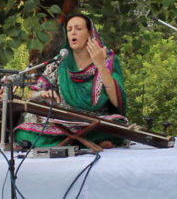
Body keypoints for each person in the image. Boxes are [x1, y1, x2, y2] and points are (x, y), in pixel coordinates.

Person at [15, 13, 127, 149]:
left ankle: (67, 142)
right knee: (22, 131)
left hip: (96, 122)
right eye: (69, 30)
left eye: (79, 29)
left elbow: (117, 101)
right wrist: (42, 94)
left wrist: (100, 65)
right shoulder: (60, 61)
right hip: (63, 122)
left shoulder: (108, 59)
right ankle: (83, 143)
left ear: (90, 33)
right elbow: (31, 94)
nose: (73, 32)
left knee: (117, 126)